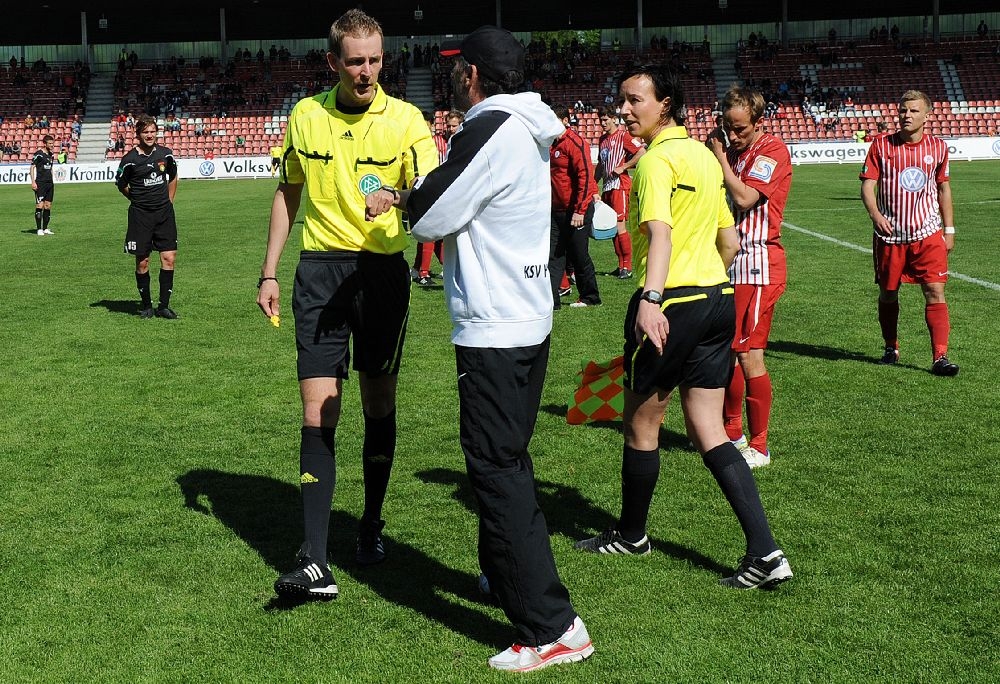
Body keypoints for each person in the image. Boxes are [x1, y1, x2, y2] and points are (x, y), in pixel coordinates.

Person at [370, 26, 594, 672]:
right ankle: (503, 576)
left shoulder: (488, 127)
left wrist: (406, 198)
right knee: (508, 462)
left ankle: (552, 625)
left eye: (455, 69)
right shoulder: (527, 125)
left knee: (496, 471)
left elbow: (432, 215)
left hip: (494, 327)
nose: (450, 78)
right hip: (527, 318)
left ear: (472, 74)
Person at [574, 64, 793, 592]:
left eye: (634, 101)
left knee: (641, 425)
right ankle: (766, 552)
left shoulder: (653, 163)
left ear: (664, 104)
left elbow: (660, 234)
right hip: (718, 299)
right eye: (622, 100)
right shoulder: (702, 154)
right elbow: (730, 241)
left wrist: (652, 298)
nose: (624, 109)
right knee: (708, 430)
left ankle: (632, 535)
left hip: (673, 303)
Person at [255, 9, 438, 601]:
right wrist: (269, 272)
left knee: (378, 398)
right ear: (333, 61)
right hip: (318, 271)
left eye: (375, 59)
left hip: (381, 274)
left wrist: (400, 197)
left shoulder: (408, 121)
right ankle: (315, 558)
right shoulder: (306, 116)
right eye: (355, 60)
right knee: (318, 410)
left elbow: (435, 199)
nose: (366, 71)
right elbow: (287, 192)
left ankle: (372, 525)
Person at [706, 86, 793, 469]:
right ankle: (732, 432)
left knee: (749, 355)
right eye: (727, 126)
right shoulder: (737, 151)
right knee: (728, 352)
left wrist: (720, 159)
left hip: (758, 264)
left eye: (740, 128)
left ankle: (759, 445)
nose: (733, 134)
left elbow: (744, 199)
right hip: (729, 261)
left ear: (759, 122)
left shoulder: (771, 151)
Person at [860, 90, 958, 376]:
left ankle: (940, 357)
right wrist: (875, 215)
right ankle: (891, 346)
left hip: (927, 233)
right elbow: (867, 185)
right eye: (903, 111)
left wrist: (949, 229)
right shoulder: (881, 146)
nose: (906, 115)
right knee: (889, 294)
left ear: (927, 116)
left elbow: (943, 188)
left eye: (913, 111)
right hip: (891, 236)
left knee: (935, 291)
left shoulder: (939, 148)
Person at [114, 115, 179, 319]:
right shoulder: (129, 160)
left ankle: (164, 306)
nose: (149, 135)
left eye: (152, 131)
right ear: (138, 134)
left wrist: (169, 200)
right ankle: (146, 306)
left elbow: (173, 176)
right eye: (145, 132)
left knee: (169, 258)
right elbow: (121, 184)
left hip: (164, 214)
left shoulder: (165, 154)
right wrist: (135, 198)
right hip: (140, 216)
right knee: (142, 262)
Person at [549, 105, 601, 308]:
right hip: (555, 210)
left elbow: (585, 177)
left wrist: (580, 210)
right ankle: (551, 300)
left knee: (578, 254)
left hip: (575, 210)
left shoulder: (575, 143)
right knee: (553, 256)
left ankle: (590, 296)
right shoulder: (551, 144)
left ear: (564, 120)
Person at [595, 105, 644, 278]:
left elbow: (641, 152)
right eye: (601, 120)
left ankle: (628, 267)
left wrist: (624, 166)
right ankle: (620, 265)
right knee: (613, 228)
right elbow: (601, 165)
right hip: (608, 186)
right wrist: (594, 184)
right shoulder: (602, 140)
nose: (603, 123)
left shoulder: (623, 136)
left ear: (614, 119)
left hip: (620, 185)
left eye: (605, 120)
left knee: (620, 226)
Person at [411, 109, 457, 286]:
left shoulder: (450, 141)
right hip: (431, 189)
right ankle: (423, 272)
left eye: (455, 126)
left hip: (445, 190)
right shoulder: (431, 142)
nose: (452, 129)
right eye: (450, 125)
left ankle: (420, 268)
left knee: (439, 234)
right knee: (431, 231)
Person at [30, 134, 56, 235]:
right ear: (44, 144)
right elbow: (32, 167)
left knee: (48, 206)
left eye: (52, 143)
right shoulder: (38, 154)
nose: (52, 145)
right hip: (40, 183)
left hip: (50, 183)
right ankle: (39, 229)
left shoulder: (51, 155)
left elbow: (50, 168)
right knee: (40, 205)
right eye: (50, 143)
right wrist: (33, 182)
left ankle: (45, 228)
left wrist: (52, 179)